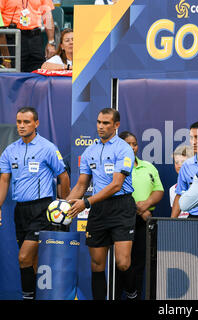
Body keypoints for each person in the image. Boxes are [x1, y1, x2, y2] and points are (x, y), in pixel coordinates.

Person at [0, 107, 70, 300]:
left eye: (26, 122)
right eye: (19, 122)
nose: (21, 126)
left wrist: (65, 206)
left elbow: (63, 176)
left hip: (42, 209)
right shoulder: (10, 150)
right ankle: (41, 296)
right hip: (20, 211)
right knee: (31, 262)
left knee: (23, 258)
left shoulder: (47, 148)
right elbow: (4, 180)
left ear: (36, 123)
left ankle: (28, 297)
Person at [66, 108, 136, 300]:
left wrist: (86, 202)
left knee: (122, 263)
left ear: (116, 125)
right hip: (98, 210)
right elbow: (81, 184)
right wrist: (64, 206)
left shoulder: (124, 148)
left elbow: (116, 185)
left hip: (121, 206)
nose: (101, 126)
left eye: (106, 123)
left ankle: (132, 294)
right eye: (98, 122)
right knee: (97, 265)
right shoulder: (90, 150)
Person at [118, 131, 164, 300]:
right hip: (122, 219)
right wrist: (138, 208)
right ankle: (121, 293)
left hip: (144, 221)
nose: (132, 147)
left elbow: (159, 190)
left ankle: (134, 295)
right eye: (128, 144)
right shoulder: (115, 166)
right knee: (121, 263)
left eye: (135, 144)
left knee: (139, 262)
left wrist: (145, 205)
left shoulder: (148, 167)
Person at [171, 121, 198, 219]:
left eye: (197, 137)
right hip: (194, 218)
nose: (193, 142)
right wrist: (171, 221)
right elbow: (179, 195)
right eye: (191, 138)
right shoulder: (186, 165)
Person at [0, 0, 56, 72]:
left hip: (35, 38)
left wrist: (51, 42)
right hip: (12, 38)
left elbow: (47, 16)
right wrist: (6, 57)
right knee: (13, 74)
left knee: (38, 72)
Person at [169, 144, 193, 218]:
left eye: (183, 162)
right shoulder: (173, 189)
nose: (179, 165)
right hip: (181, 227)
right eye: (176, 162)